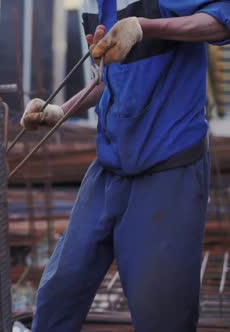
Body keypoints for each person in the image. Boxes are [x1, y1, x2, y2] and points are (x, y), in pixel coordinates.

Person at [20, 1, 230, 331]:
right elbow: (110, 78)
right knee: (59, 292)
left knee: (161, 313)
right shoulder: (95, 5)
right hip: (110, 167)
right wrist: (61, 111)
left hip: (168, 168)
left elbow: (223, 22)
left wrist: (147, 27)